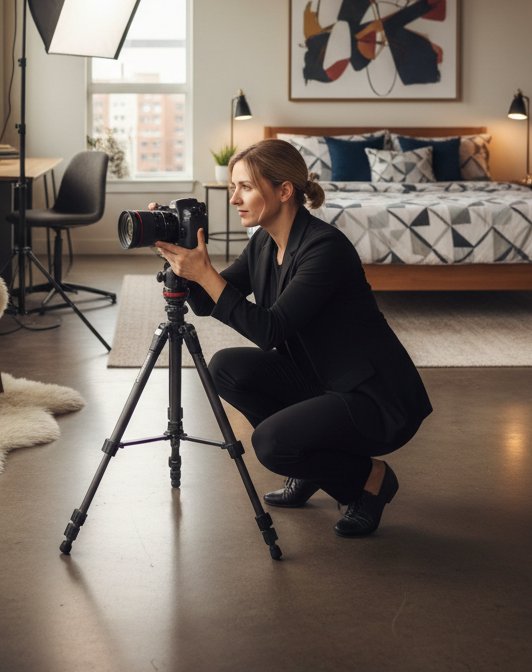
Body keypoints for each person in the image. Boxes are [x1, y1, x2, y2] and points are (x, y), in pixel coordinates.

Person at [153, 138, 432, 538]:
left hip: (371, 394)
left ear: (285, 191)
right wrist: (177, 257)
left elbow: (270, 330)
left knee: (270, 445)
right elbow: (206, 300)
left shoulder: (324, 248)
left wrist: (206, 275)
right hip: (320, 379)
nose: (234, 199)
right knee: (225, 369)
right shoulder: (264, 243)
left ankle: (370, 479)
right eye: (234, 187)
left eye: (245, 187)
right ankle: (308, 463)